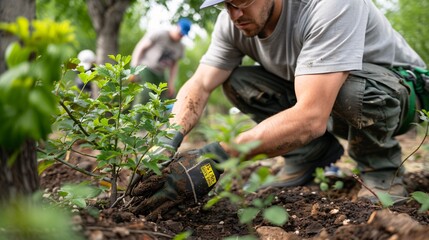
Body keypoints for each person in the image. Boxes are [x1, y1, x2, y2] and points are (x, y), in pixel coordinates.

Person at [129, 0, 428, 219]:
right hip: (326, 98)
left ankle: (380, 169)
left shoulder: (329, 5)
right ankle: (308, 155)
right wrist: (166, 139)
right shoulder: (232, 21)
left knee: (350, 89)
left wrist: (217, 157)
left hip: (399, 97)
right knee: (236, 80)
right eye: (225, 5)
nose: (235, 14)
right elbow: (201, 84)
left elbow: (311, 116)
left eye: (241, 2)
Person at [130, 18, 192, 106]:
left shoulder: (180, 47)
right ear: (177, 27)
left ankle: (152, 119)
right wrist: (133, 68)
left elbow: (174, 65)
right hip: (146, 69)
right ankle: (135, 119)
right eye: (180, 33)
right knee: (144, 95)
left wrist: (171, 83)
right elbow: (140, 48)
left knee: (161, 100)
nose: (180, 36)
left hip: (160, 74)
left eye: (183, 35)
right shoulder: (160, 34)